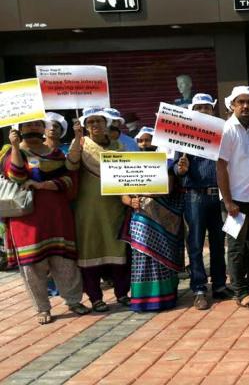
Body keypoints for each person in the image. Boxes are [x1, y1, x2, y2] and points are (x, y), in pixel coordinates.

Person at [1, 121, 90, 324]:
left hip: (57, 216)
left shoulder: (55, 153)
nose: (32, 128)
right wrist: (15, 147)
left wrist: (43, 185)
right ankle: (42, 308)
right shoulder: (10, 152)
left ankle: (74, 300)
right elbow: (16, 176)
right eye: (28, 125)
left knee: (65, 261)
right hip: (26, 219)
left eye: (37, 125)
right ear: (20, 129)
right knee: (32, 266)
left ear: (43, 129)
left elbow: (69, 178)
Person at [66, 108, 130, 311]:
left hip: (115, 207)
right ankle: (95, 297)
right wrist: (77, 138)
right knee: (90, 251)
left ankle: (122, 294)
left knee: (118, 251)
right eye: (91, 121)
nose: (95, 125)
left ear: (107, 123)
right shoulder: (82, 146)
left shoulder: (118, 146)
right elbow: (71, 164)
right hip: (89, 210)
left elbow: (128, 174)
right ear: (85, 125)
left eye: (99, 121)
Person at [175, 93, 231, 310]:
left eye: (207, 108)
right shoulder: (183, 136)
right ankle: (199, 288)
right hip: (195, 195)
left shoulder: (222, 134)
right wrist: (179, 169)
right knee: (196, 244)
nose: (203, 111)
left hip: (217, 194)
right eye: (199, 108)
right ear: (192, 111)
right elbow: (174, 165)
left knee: (218, 242)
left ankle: (219, 285)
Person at [217, 86, 249, 310]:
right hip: (235, 201)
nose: (245, 106)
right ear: (232, 105)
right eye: (241, 102)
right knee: (236, 248)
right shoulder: (227, 130)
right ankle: (240, 292)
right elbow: (220, 166)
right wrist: (228, 202)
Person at [121, 156, 184, 312]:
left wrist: (142, 192)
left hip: (163, 217)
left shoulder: (168, 161)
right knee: (142, 257)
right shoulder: (130, 162)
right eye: (141, 141)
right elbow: (121, 191)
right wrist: (130, 201)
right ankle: (142, 300)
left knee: (163, 257)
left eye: (147, 141)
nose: (144, 144)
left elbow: (167, 188)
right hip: (140, 218)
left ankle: (164, 299)